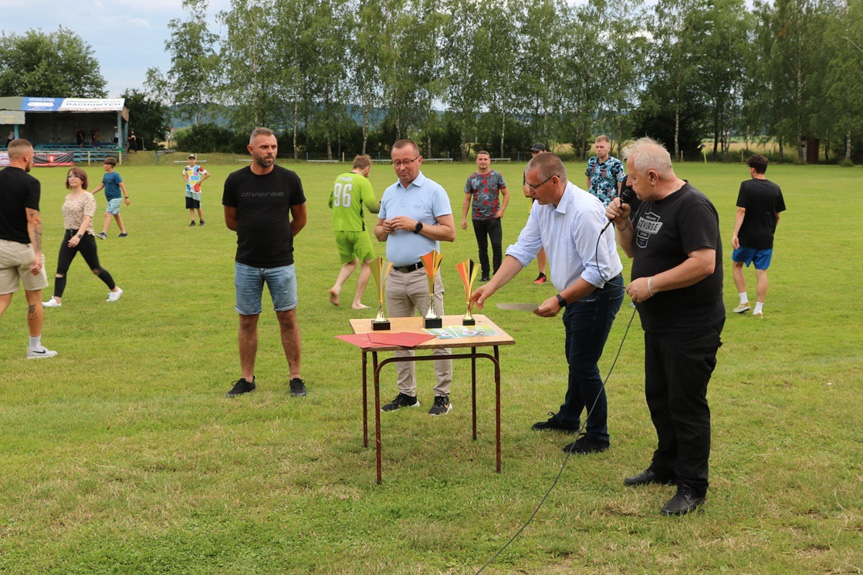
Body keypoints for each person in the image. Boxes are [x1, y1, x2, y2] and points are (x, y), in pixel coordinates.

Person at [471, 153, 624, 454]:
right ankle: (568, 416)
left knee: (583, 363)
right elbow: (523, 249)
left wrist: (559, 300)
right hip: (574, 291)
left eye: (534, 186)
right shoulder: (542, 206)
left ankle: (598, 435)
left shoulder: (584, 212)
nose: (529, 192)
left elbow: (598, 272)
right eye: (526, 185)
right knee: (575, 357)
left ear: (555, 181)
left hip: (600, 292)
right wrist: (490, 286)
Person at [606, 137, 724, 516]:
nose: (630, 187)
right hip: (657, 324)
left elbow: (704, 263)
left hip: (691, 325)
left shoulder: (693, 206)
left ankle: (692, 487)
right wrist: (623, 222)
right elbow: (632, 250)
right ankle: (666, 465)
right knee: (659, 397)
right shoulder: (647, 201)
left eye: (634, 181)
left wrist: (652, 284)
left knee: (685, 405)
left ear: (653, 175)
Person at [222, 127, 308, 398]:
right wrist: (255, 238)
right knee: (247, 320)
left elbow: (301, 218)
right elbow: (231, 221)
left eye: (273, 147)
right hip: (246, 263)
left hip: (281, 263)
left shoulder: (289, 179)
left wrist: (281, 239)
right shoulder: (235, 181)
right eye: (264, 147)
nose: (269, 151)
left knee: (288, 318)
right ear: (251, 150)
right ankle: (247, 378)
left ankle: (295, 377)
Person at [374, 139, 455, 416]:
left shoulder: (434, 191)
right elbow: (377, 231)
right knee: (400, 337)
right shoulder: (389, 192)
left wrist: (416, 225)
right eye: (397, 162)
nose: (402, 167)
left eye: (407, 161)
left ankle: (442, 396)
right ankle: (407, 394)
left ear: (419, 160)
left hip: (426, 275)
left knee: (436, 335)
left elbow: (450, 232)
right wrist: (384, 228)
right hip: (395, 275)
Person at [0, 139, 57, 359]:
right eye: (32, 155)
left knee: (3, 299)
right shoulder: (30, 182)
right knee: (34, 298)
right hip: (23, 248)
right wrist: (37, 253)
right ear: (25, 157)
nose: (33, 159)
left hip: (1, 248)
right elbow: (33, 220)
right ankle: (35, 348)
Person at [43, 168, 123, 308]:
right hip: (68, 235)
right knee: (61, 268)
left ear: (82, 179)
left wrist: (79, 236)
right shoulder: (68, 197)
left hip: (85, 237)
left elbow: (87, 218)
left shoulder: (88, 197)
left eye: (75, 176)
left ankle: (115, 290)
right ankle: (56, 300)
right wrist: (72, 236)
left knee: (95, 268)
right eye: (69, 176)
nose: (71, 178)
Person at [730, 154, 786, 319]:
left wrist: (735, 234)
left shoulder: (746, 186)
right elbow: (778, 215)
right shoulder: (775, 188)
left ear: (752, 169)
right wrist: (770, 231)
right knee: (761, 272)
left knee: (737, 265)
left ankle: (744, 301)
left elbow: (741, 210)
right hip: (766, 239)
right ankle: (758, 309)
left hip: (747, 237)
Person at [328, 154, 380, 309]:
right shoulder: (362, 181)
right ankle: (356, 302)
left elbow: (331, 203)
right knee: (369, 263)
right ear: (367, 169)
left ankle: (336, 287)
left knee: (351, 261)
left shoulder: (339, 178)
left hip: (339, 228)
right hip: (356, 229)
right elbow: (372, 207)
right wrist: (386, 203)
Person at [461, 151, 509, 282]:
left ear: (490, 161)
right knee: (482, 247)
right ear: (476, 161)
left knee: (496, 245)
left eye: (485, 159)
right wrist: (464, 218)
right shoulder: (471, 178)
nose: (483, 161)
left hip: (494, 217)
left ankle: (498, 274)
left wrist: (502, 210)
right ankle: (485, 274)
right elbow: (467, 199)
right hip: (477, 218)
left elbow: (506, 194)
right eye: (480, 159)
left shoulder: (496, 176)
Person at [524, 143, 549, 284]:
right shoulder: (529, 169)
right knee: (539, 243)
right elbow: (526, 192)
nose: (535, 155)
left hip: (553, 208)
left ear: (544, 152)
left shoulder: (552, 166)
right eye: (533, 152)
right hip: (535, 209)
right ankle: (542, 274)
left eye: (537, 152)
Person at [91, 157, 130, 239]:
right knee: (116, 215)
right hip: (110, 199)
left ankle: (103, 233)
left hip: (116, 198)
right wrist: (92, 193)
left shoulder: (116, 175)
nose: (103, 166)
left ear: (110, 165)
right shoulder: (106, 175)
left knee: (107, 214)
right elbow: (101, 185)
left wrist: (126, 197)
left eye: (105, 164)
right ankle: (124, 233)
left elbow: (122, 186)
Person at [585, 134, 626, 207]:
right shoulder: (591, 161)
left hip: (608, 205)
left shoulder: (616, 164)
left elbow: (621, 185)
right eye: (597, 147)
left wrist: (619, 202)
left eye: (601, 147)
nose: (599, 149)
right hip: (592, 204)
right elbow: (588, 178)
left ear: (608, 148)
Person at [183, 154, 210, 226]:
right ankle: (192, 221)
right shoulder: (186, 168)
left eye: (193, 159)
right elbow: (183, 174)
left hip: (196, 189)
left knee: (198, 206)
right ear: (188, 160)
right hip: (188, 189)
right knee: (190, 206)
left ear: (195, 160)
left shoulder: (198, 168)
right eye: (190, 159)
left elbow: (207, 174)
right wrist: (185, 179)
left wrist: (200, 181)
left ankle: (201, 220)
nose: (192, 160)